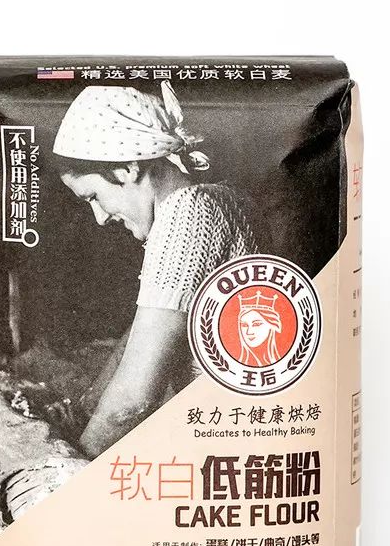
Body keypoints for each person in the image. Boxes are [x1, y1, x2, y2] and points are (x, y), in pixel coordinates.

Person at [53, 81, 268, 458]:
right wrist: (84, 410)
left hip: (221, 441)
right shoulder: (223, 196)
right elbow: (142, 334)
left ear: (127, 168)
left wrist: (76, 464)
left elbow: (133, 400)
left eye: (94, 197)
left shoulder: (188, 215)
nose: (100, 217)